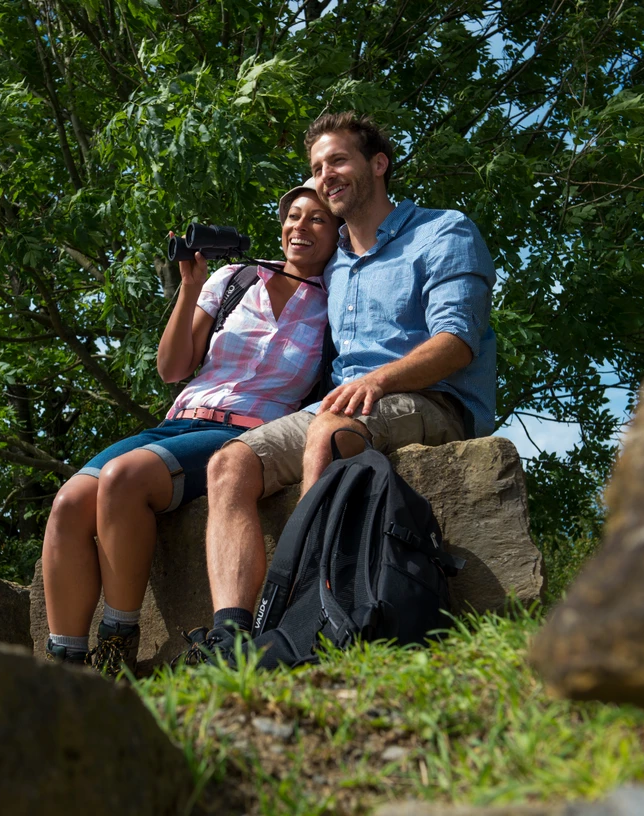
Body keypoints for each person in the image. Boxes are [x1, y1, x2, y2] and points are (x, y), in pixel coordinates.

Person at [192, 111, 497, 663]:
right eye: (316, 165)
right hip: (345, 403)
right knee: (228, 464)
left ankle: (308, 617)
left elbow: (458, 341)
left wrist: (378, 381)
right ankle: (230, 637)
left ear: (377, 165)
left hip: (436, 399)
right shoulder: (335, 266)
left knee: (327, 435)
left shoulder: (441, 230)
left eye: (337, 160)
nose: (325, 174)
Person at [41, 182, 341, 675]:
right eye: (292, 216)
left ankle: (117, 646)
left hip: (245, 433)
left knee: (122, 479)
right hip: (180, 420)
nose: (299, 227)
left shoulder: (335, 301)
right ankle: (64, 666)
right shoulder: (236, 278)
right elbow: (173, 367)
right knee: (69, 503)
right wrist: (191, 286)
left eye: (317, 219)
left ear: (337, 234)